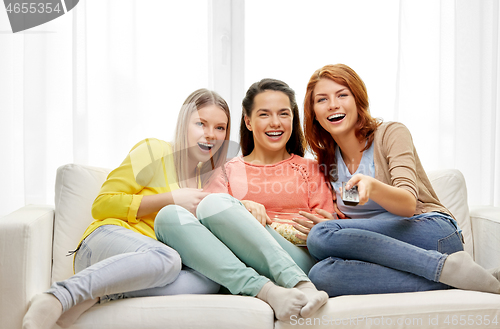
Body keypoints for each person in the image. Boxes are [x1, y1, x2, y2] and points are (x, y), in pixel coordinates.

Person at [22, 89, 231, 329]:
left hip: (142, 270)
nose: (210, 135)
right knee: (168, 259)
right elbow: (101, 204)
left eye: (220, 128)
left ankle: (99, 293)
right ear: (184, 123)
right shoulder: (154, 150)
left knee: (209, 280)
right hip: (103, 244)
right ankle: (60, 295)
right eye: (201, 124)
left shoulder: (205, 183)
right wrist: (170, 198)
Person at [293, 63, 500, 297]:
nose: (333, 105)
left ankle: (442, 266)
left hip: (433, 233)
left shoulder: (391, 134)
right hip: (390, 250)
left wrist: (373, 188)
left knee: (321, 236)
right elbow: (354, 217)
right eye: (322, 100)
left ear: (358, 100)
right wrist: (333, 219)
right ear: (314, 113)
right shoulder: (327, 162)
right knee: (322, 275)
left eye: (342, 95)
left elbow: (408, 205)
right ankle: (459, 276)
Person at [154, 79, 332, 321]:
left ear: (293, 119)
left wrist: (318, 227)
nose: (275, 123)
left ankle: (301, 286)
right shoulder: (226, 170)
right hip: (239, 268)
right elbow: (202, 226)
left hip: (296, 259)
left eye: (283, 114)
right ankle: (269, 292)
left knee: (213, 204)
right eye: (264, 114)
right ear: (248, 121)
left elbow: (329, 228)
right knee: (168, 216)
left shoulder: (310, 169)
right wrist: (243, 206)